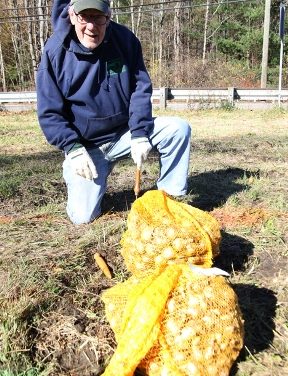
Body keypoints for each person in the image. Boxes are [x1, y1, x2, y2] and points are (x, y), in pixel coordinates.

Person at [36, 0, 191, 225]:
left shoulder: (124, 40)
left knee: (177, 129)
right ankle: (88, 177)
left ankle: (172, 199)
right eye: (84, 17)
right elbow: (49, 112)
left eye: (98, 17)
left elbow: (140, 88)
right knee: (83, 217)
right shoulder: (54, 52)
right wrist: (72, 148)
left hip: (123, 135)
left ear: (108, 18)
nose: (91, 26)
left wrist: (139, 133)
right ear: (71, 16)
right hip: (86, 148)